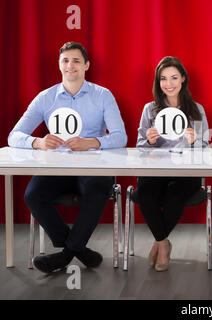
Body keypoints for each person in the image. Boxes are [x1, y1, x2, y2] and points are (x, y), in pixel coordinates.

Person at [8, 42, 127, 273]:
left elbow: (121, 136)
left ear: (86, 66)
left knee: (98, 189)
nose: (70, 65)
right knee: (33, 194)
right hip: (57, 165)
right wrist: (37, 142)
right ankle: (77, 249)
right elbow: (14, 135)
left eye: (76, 61)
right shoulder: (46, 97)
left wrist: (92, 142)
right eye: (65, 60)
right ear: (59, 65)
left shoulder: (102, 95)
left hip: (94, 165)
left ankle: (65, 255)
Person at [136, 56, 209, 272]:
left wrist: (195, 140)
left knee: (174, 196)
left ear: (183, 79)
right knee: (145, 194)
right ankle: (163, 242)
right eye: (163, 79)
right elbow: (139, 147)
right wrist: (149, 141)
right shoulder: (150, 110)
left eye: (174, 78)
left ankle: (160, 243)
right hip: (156, 168)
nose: (169, 84)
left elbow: (205, 148)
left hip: (187, 171)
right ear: (158, 82)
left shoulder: (196, 110)